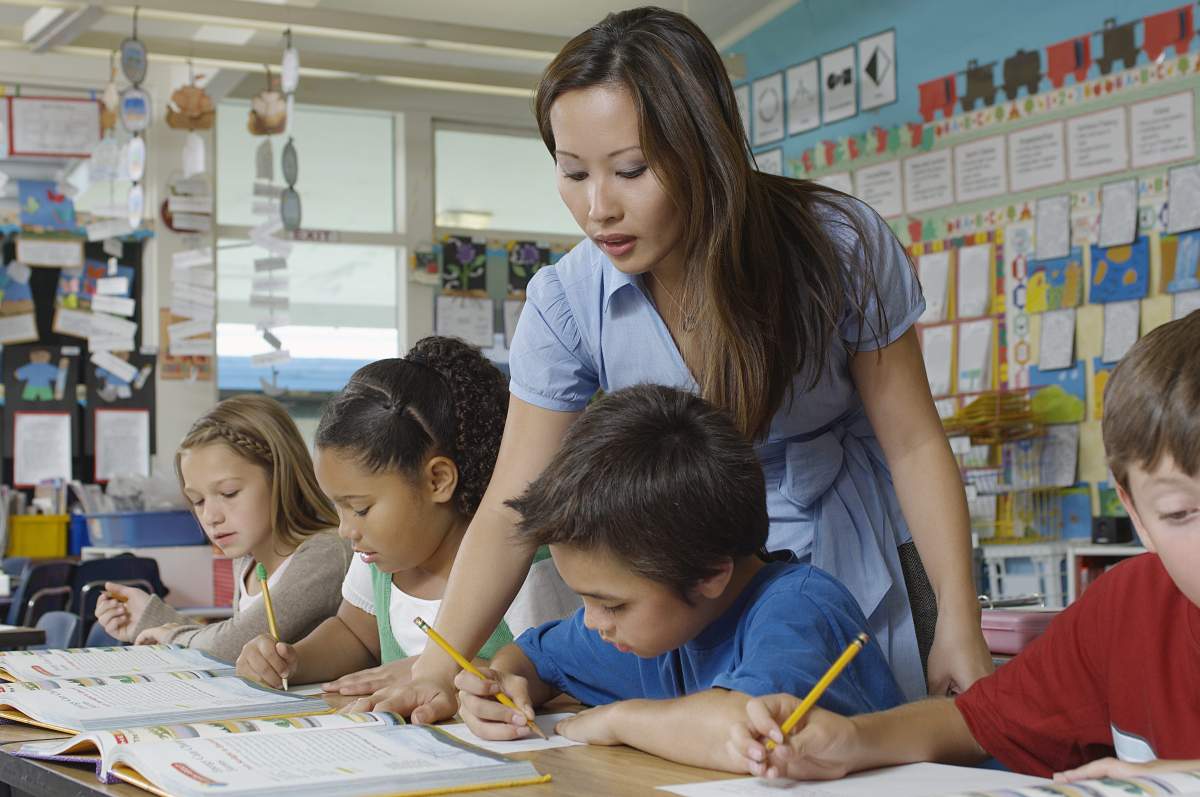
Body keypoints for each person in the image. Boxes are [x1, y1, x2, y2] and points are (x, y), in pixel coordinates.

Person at [368, 6, 989, 721]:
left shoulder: (837, 246)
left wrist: (959, 623)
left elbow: (912, 444)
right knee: (729, 741)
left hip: (855, 539)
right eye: (573, 173)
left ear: (704, 150)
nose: (598, 207)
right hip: (699, 577)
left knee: (875, 740)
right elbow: (516, 498)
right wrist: (438, 666)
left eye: (631, 170)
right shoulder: (567, 301)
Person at [727, 311, 1200, 782]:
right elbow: (976, 722)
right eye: (1180, 513)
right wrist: (852, 739)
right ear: (1134, 511)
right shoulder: (1125, 610)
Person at [456, 385, 903, 770]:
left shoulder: (799, 609)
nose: (592, 622)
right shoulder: (657, 622)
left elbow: (749, 733)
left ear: (709, 574)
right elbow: (533, 658)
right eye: (586, 600)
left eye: (611, 604)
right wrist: (500, 685)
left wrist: (618, 720)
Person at [235, 338, 578, 693]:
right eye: (338, 507)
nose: (346, 529)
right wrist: (292, 660)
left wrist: (448, 672)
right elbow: (354, 634)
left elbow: (559, 673)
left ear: (438, 480)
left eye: (361, 508)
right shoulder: (379, 556)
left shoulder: (524, 568)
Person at [94, 395, 351, 662]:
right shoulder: (247, 560)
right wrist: (148, 620)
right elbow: (233, 644)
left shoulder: (327, 553)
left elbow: (232, 647)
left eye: (229, 493)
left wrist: (161, 628)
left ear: (281, 476)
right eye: (198, 500)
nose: (210, 516)